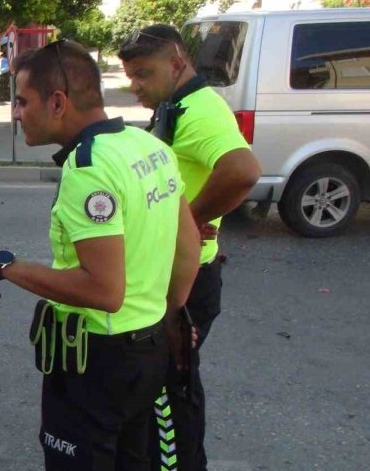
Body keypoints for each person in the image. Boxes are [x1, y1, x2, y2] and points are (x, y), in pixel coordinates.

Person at [0, 40, 202, 470]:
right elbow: (188, 249)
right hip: (148, 350)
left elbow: (104, 290)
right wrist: (167, 317)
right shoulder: (149, 148)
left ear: (57, 102)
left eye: (21, 100)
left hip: (98, 364)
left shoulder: (88, 167)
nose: (15, 112)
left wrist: (3, 263)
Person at [119, 24, 261, 471]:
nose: (134, 85)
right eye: (131, 75)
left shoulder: (200, 111)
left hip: (188, 281)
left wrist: (192, 220)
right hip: (173, 275)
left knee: (169, 396)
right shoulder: (177, 105)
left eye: (144, 74)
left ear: (177, 63)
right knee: (159, 389)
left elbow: (242, 170)